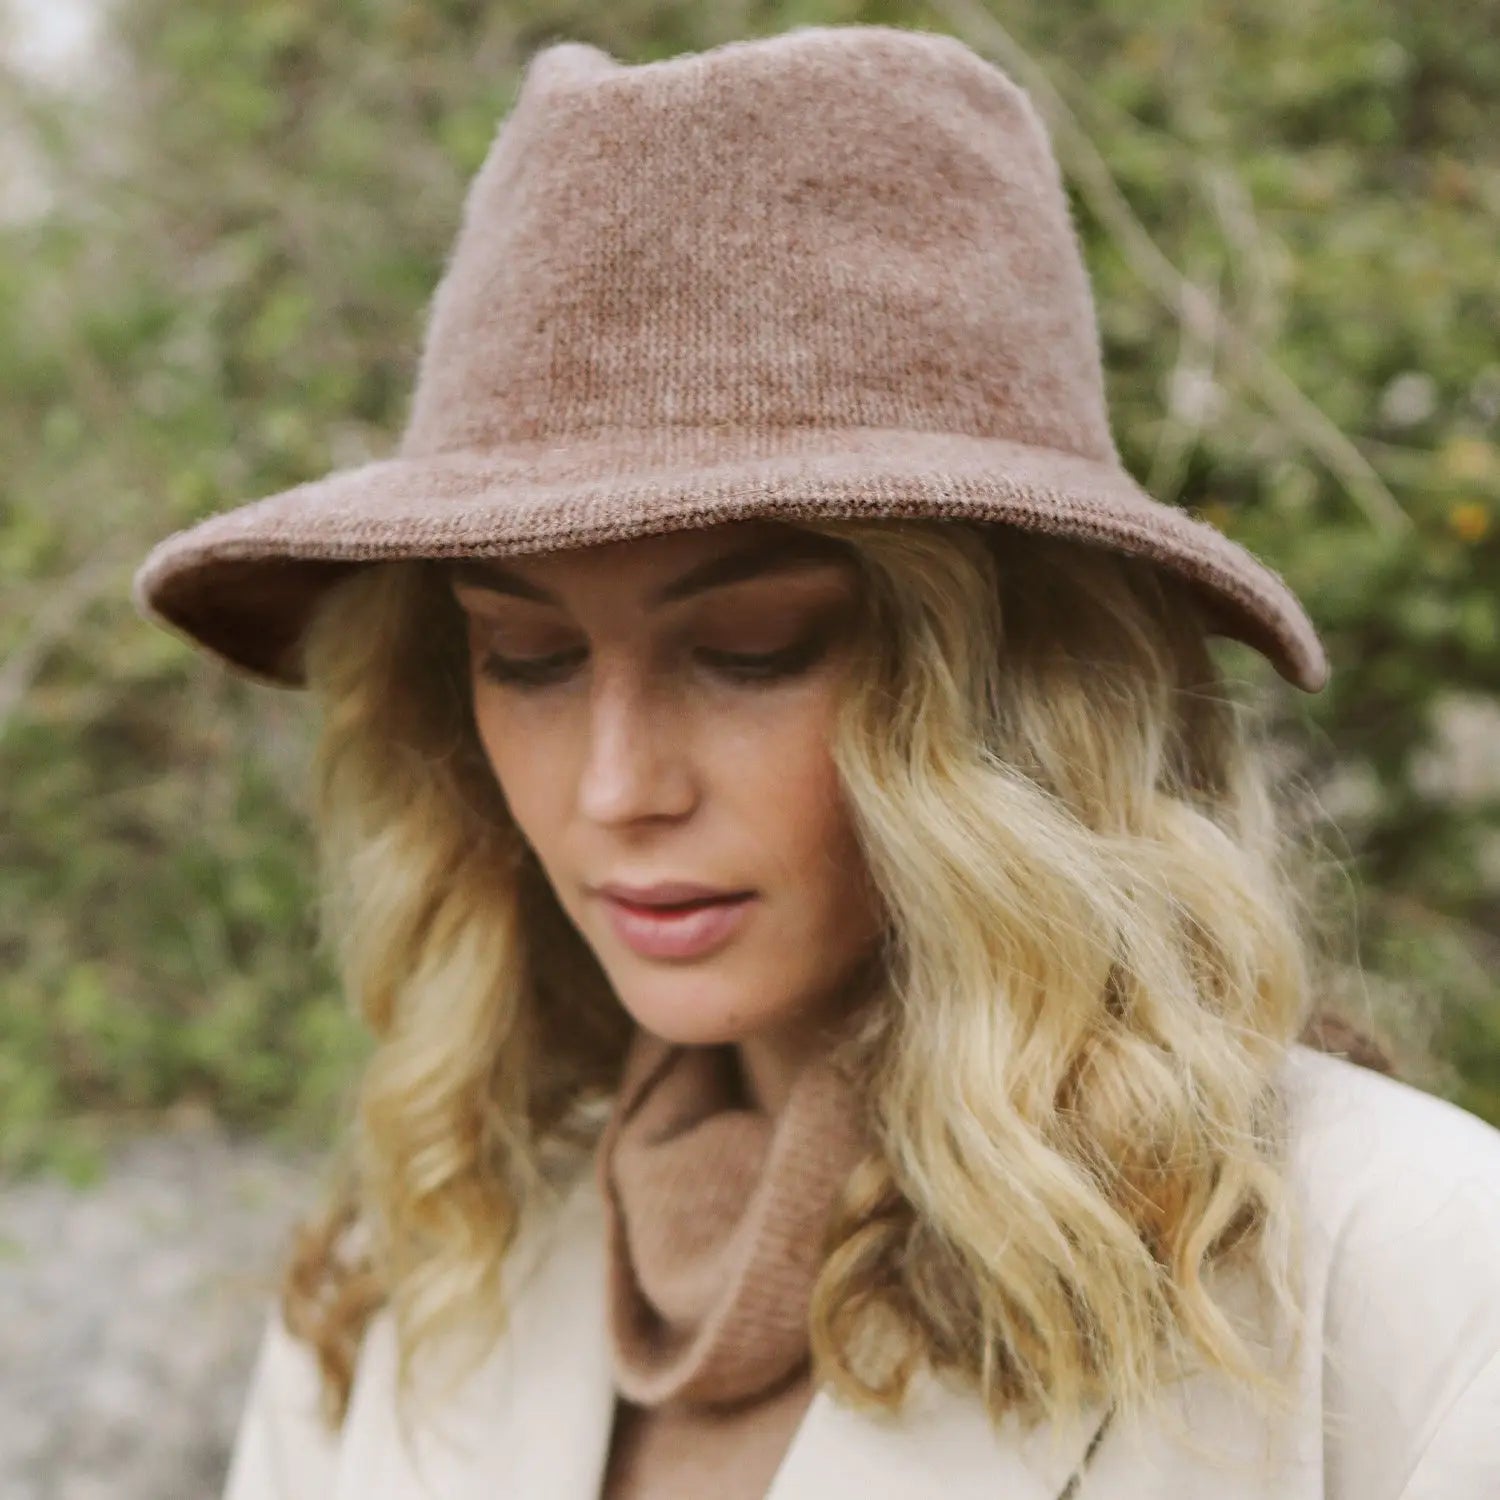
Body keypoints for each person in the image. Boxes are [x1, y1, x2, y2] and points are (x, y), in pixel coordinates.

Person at [131, 23, 1500, 1500]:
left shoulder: (1398, 1278)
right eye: (527, 657)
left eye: (752, 648)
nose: (616, 790)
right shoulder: (403, 1279)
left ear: (1014, 684)